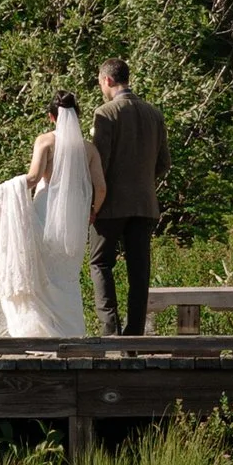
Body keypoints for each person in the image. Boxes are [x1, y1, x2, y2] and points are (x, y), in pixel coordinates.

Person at [0, 94, 103, 339]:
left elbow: (34, 178)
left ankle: (39, 332)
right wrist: (92, 212)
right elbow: (100, 188)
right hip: (74, 219)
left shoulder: (45, 141)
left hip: (46, 212)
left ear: (51, 116)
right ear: (77, 115)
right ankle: (70, 333)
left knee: (41, 274)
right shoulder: (88, 148)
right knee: (66, 277)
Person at [89, 56, 168, 339]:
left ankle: (110, 331)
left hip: (110, 204)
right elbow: (163, 163)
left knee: (100, 262)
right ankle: (134, 336)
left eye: (100, 82)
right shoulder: (154, 113)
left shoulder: (106, 113)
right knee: (139, 270)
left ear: (107, 80)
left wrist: (94, 202)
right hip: (145, 203)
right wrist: (142, 182)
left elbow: (101, 163)